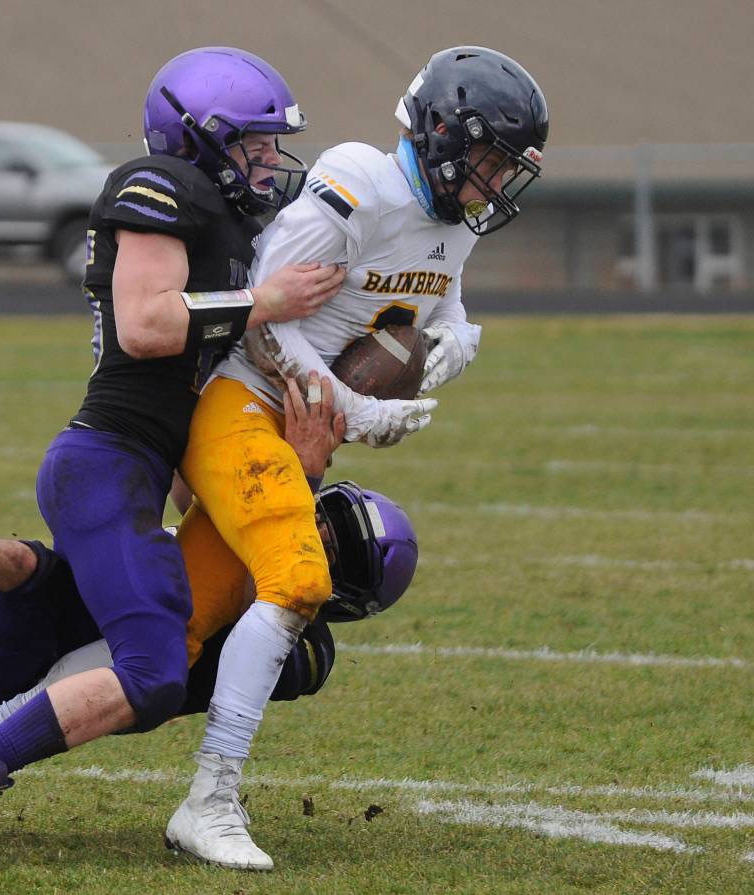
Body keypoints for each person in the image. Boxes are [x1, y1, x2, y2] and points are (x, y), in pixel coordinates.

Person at [0, 47, 344, 864]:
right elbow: (148, 327)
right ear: (203, 139)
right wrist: (268, 300)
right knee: (150, 673)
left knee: (149, 660)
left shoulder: (219, 218)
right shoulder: (157, 185)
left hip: (131, 475)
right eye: (254, 143)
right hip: (104, 464)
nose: (269, 160)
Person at [162, 46, 549, 869]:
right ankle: (211, 797)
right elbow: (258, 319)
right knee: (300, 581)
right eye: (488, 161)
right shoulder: (359, 184)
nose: (493, 185)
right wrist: (357, 407)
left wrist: (451, 343)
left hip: (300, 424)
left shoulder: (453, 221)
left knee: (168, 640)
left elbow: (439, 307)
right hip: (243, 402)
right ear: (445, 135)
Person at [0, 381, 418, 851]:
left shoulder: (295, 650)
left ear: (339, 597)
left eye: (324, 551)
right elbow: (199, 489)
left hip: (53, 653)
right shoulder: (257, 503)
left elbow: (147, 674)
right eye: (314, 518)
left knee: (29, 573)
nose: (304, 533)